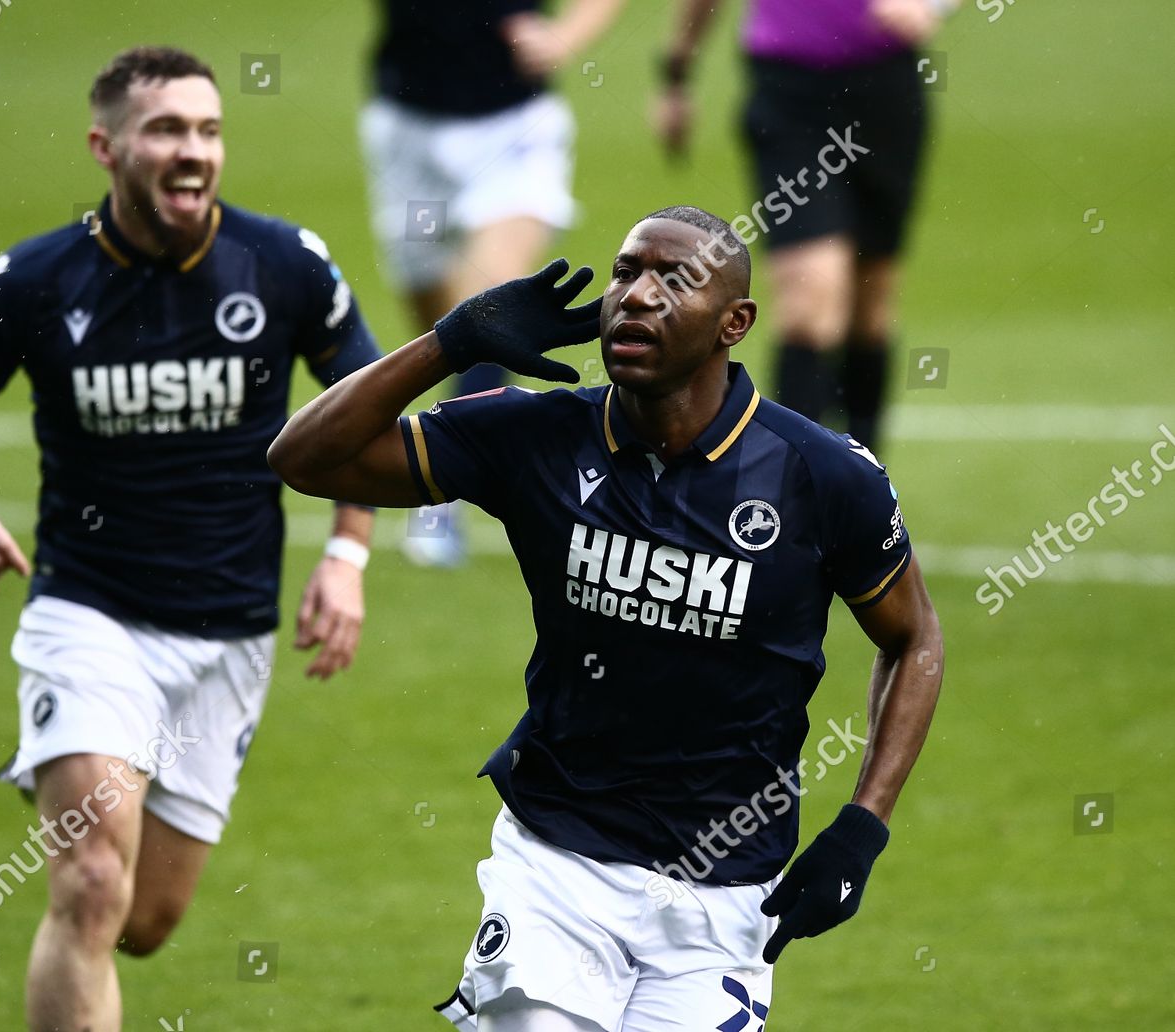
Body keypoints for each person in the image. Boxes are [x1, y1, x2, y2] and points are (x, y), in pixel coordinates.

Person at [269, 206, 943, 1030]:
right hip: (558, 866)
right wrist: (449, 343)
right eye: (626, 273)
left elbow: (914, 640)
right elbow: (302, 458)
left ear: (735, 323)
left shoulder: (822, 476)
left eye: (674, 279)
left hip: (726, 902)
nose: (639, 297)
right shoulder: (537, 434)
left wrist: (863, 826)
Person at [0, 46, 381, 1031]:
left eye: (208, 130)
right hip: (89, 613)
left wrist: (346, 556)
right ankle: (73, 761)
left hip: (229, 632)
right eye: (166, 129)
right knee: (89, 882)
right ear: (104, 146)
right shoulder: (34, 281)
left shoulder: (284, 266)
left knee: (144, 920)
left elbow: (365, 410)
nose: (193, 150)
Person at [361, 0, 624, 564]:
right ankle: (451, 434)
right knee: (437, 317)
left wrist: (564, 36)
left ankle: (439, 495)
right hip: (406, 121)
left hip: (514, 124)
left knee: (486, 305)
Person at [655, 0, 956, 449]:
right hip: (790, 92)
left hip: (886, 90)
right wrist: (677, 73)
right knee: (808, 306)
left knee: (870, 306)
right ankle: (791, 489)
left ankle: (864, 490)